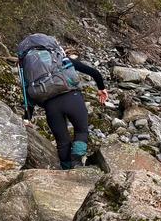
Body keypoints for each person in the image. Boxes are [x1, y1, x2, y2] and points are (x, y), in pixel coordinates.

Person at [16, 34, 108, 169]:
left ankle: (66, 170)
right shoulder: (61, 59)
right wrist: (101, 88)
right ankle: (77, 162)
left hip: (51, 106)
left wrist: (27, 118)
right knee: (81, 131)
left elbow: (27, 95)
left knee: (62, 142)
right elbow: (94, 72)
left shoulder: (29, 70)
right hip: (72, 98)